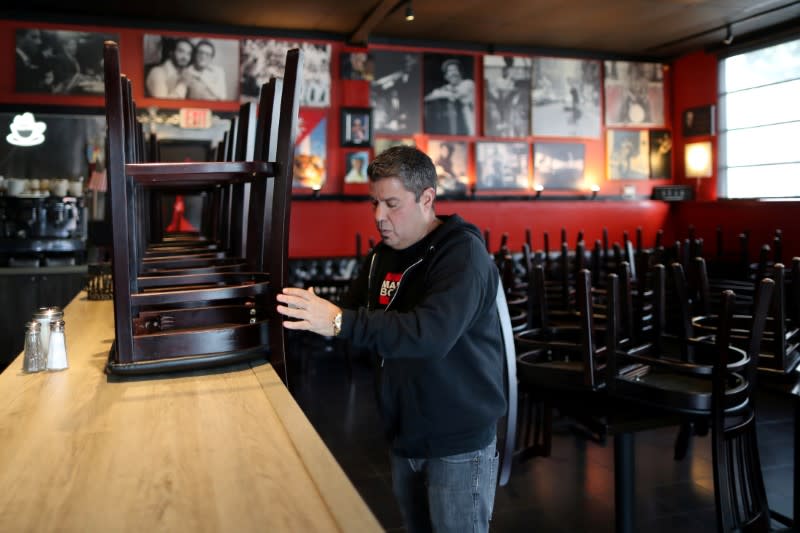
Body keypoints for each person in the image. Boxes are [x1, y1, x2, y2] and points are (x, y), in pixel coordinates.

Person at [276, 146, 505, 533]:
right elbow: (349, 314)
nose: (379, 216)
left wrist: (336, 321)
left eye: (392, 204)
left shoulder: (462, 254)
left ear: (427, 198)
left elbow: (429, 336)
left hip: (458, 437)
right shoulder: (383, 255)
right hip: (405, 430)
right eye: (374, 203)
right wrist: (299, 311)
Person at [424, 58, 475, 135]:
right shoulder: (446, 88)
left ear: (460, 72)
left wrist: (440, 93)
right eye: (449, 71)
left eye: (455, 70)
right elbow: (426, 98)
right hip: (455, 127)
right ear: (446, 76)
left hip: (471, 122)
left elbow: (455, 96)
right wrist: (440, 93)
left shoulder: (468, 83)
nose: (453, 73)